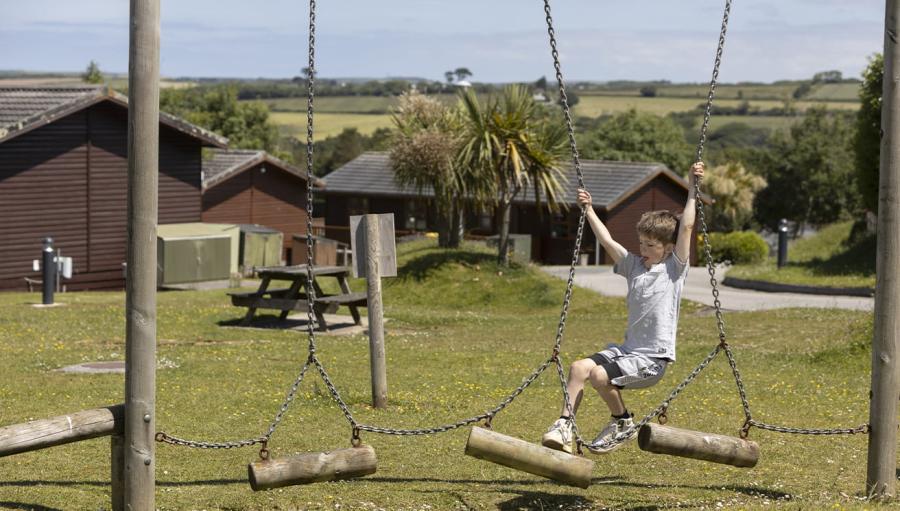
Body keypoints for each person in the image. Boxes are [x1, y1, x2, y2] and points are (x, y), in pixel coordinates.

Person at [541, 162, 705, 455]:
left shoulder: (673, 269)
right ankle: (565, 425)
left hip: (652, 359)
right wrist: (589, 209)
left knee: (600, 376)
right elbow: (607, 240)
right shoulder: (634, 266)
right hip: (628, 350)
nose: (643, 249)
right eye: (641, 242)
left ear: (667, 248)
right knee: (580, 368)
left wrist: (693, 188)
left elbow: (688, 227)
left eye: (651, 245)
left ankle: (622, 421)